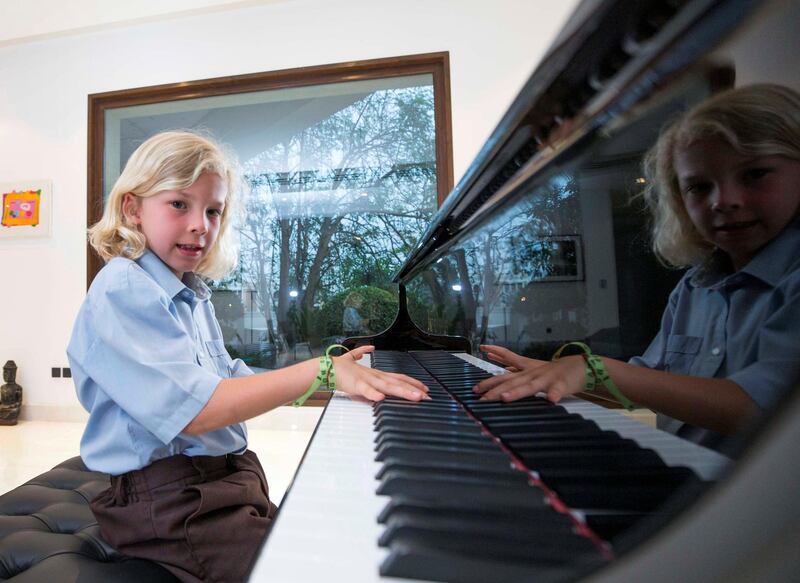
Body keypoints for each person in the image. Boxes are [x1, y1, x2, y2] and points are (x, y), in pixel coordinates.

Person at [67, 131, 428, 583]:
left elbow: (229, 376)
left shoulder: (188, 293)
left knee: (338, 538)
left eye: (213, 210)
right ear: (132, 208)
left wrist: (331, 375)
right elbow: (199, 409)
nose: (201, 224)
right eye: (180, 204)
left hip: (219, 485)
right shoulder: (124, 287)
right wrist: (318, 371)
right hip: (168, 503)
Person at [475, 84, 800, 450]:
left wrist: (592, 368)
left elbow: (758, 407)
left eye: (755, 174)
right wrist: (554, 377)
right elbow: (648, 386)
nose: (724, 201)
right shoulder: (696, 286)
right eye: (698, 187)